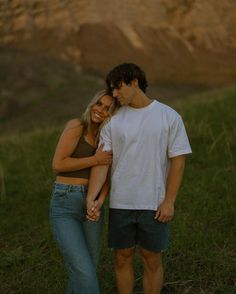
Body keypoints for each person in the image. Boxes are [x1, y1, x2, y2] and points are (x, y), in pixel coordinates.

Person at [86, 63, 192, 294]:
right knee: (122, 258)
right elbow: (102, 163)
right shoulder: (113, 121)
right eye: (112, 90)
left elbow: (179, 161)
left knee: (151, 259)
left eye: (118, 87)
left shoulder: (168, 116)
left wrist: (169, 201)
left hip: (154, 202)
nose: (114, 94)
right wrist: (92, 198)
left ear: (134, 82)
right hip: (120, 202)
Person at [50, 90, 119, 294]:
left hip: (93, 206)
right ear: (92, 104)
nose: (100, 110)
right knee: (84, 271)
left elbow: (108, 176)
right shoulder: (77, 126)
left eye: (107, 108)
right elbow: (58, 164)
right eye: (98, 104)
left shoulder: (106, 137)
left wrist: (100, 202)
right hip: (65, 201)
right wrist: (94, 159)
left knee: (84, 270)